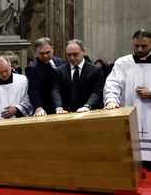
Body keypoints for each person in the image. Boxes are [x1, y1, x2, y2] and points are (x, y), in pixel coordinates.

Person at [104, 29, 151, 169]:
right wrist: (111, 100)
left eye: (144, 46)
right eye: (136, 46)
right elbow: (112, 84)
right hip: (130, 112)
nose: (140, 49)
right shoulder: (122, 63)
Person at [52, 39, 104, 114]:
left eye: (75, 54)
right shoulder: (59, 71)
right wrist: (58, 107)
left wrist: (87, 106)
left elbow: (97, 92)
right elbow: (55, 90)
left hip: (89, 112)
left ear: (84, 52)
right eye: (69, 55)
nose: (72, 58)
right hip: (66, 113)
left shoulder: (95, 70)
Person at [25, 37, 64, 116]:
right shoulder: (32, 68)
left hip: (64, 105)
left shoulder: (60, 61)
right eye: (42, 53)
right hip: (47, 109)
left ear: (52, 49)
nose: (45, 56)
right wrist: (38, 107)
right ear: (36, 52)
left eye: (48, 52)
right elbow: (33, 90)